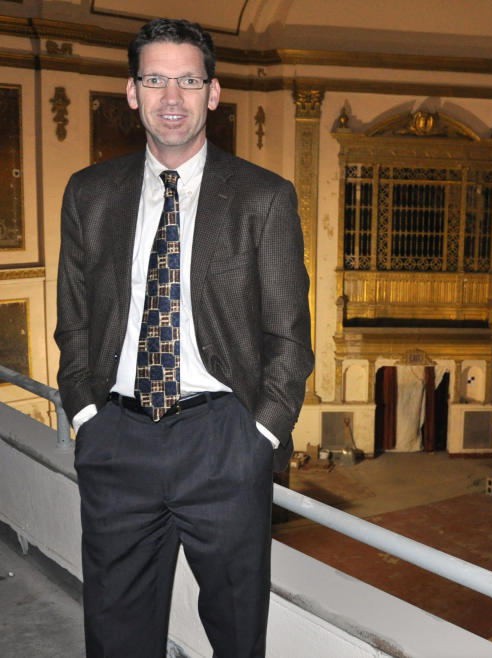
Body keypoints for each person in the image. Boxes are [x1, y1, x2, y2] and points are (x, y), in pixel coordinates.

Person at [54, 18, 313, 658]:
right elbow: (75, 320)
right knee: (117, 637)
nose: (173, 97)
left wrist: (260, 437)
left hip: (224, 441)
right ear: (133, 92)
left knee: (235, 636)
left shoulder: (264, 199)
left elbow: (290, 337)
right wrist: (88, 415)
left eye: (189, 80)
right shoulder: (89, 195)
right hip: (118, 444)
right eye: (156, 79)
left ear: (214, 93)